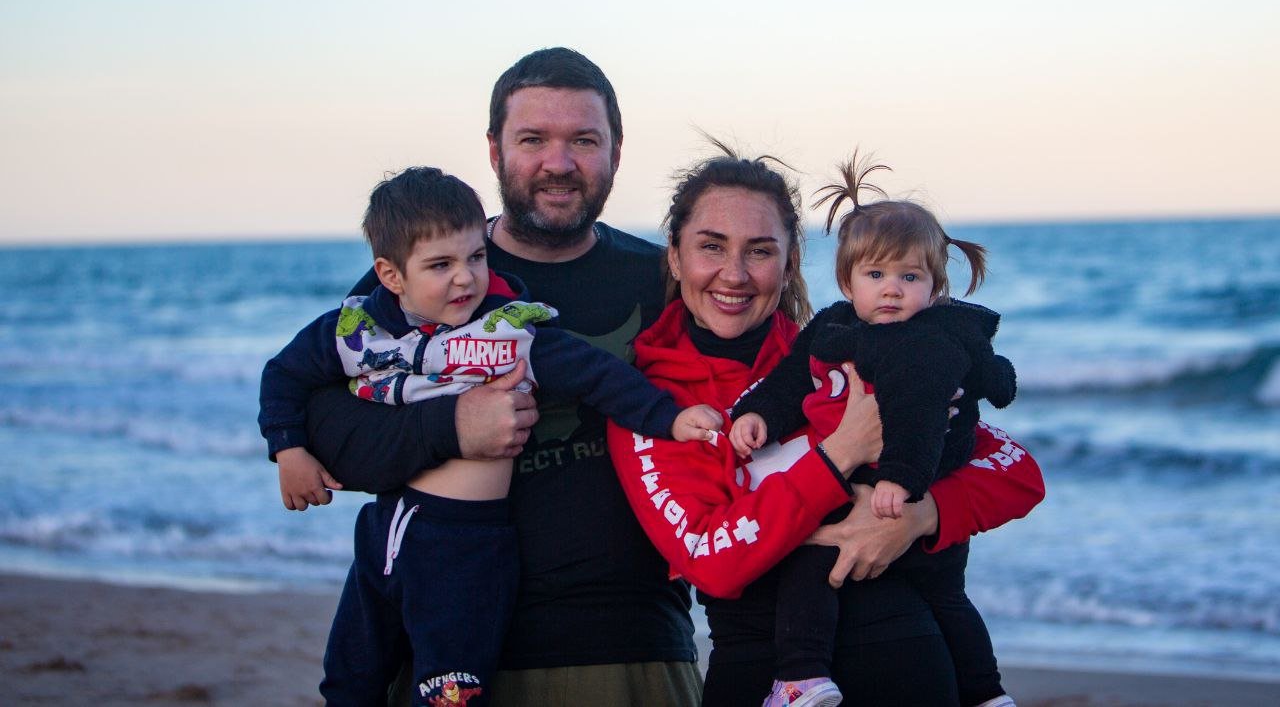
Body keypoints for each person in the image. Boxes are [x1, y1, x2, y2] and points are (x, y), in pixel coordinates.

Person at [303, 47, 719, 705]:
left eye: (584, 139)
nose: (559, 162)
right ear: (495, 151)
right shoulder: (427, 278)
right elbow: (326, 431)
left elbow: (761, 412)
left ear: (616, 149)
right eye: (534, 139)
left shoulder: (664, 282)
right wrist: (453, 424)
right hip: (446, 649)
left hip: (632, 648)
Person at [605, 145, 1045, 706]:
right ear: (674, 256)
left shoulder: (846, 353)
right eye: (711, 246)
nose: (734, 274)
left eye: (760, 251)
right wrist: (838, 455)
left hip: (904, 652)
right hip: (763, 672)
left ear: (790, 263)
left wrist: (919, 516)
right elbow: (710, 560)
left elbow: (1015, 472)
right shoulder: (651, 403)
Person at [729, 155, 1018, 706]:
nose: (892, 290)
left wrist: (904, 482)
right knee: (825, 570)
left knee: (931, 593)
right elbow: (792, 381)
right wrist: (760, 416)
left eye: (910, 277)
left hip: (909, 488)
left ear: (934, 288)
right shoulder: (832, 328)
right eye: (876, 275)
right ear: (847, 280)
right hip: (860, 483)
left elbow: (921, 414)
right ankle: (812, 680)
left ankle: (805, 676)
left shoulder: (930, 343)